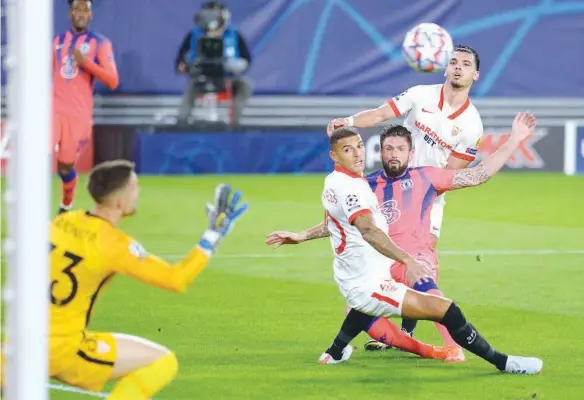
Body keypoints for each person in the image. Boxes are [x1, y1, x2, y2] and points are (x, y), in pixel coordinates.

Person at [268, 115, 543, 374]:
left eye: (400, 148)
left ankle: (340, 350)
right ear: (380, 151)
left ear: (410, 154)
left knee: (390, 298)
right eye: (388, 148)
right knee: (435, 311)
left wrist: (514, 139)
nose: (393, 154)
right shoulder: (362, 184)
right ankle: (493, 361)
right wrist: (405, 260)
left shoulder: (406, 178)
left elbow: (478, 175)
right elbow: (365, 229)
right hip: (379, 272)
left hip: (390, 266)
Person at [326, 45, 484, 349]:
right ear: (444, 68)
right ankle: (365, 329)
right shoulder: (420, 94)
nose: (458, 68)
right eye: (453, 62)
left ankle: (411, 332)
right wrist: (348, 121)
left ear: (475, 74)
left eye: (465, 64)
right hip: (390, 186)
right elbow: (382, 114)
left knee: (418, 261)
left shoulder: (472, 125)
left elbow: (452, 174)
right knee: (374, 256)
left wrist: (423, 189)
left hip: (426, 198)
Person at [47, 160, 248, 399]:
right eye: (134, 186)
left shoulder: (63, 221)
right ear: (119, 200)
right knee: (163, 361)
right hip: (63, 349)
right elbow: (176, 279)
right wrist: (213, 235)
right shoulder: (115, 245)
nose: (138, 191)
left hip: (20, 339)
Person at [53, 0, 119, 215]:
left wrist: (87, 64)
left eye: (85, 10)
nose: (80, 13)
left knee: (65, 166)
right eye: (76, 9)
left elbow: (112, 81)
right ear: (69, 13)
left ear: (90, 15)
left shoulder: (100, 43)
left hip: (78, 116)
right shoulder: (56, 41)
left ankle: (66, 205)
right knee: (34, 157)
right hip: (52, 111)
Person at [175, 1, 252, 125]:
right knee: (191, 87)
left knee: (245, 86)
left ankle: (235, 123)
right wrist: (186, 65)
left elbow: (246, 60)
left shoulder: (234, 35)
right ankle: (182, 121)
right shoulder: (194, 35)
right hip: (201, 77)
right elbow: (180, 61)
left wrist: (233, 65)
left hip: (227, 78)